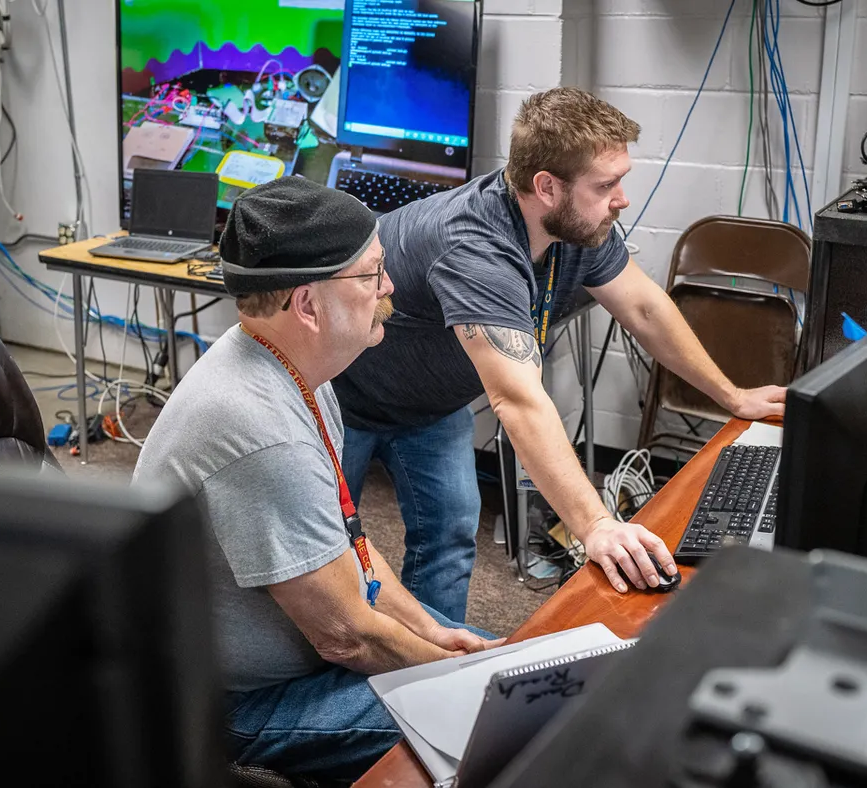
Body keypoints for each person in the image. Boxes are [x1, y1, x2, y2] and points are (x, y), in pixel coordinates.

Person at [333, 87, 787, 622]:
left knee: (450, 539)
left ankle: (434, 668)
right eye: (607, 184)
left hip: (432, 404)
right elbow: (519, 401)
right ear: (546, 186)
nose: (623, 198)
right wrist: (595, 526)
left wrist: (732, 395)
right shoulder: (476, 246)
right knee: (337, 555)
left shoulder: (580, 227)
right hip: (347, 399)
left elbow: (643, 308)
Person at [132, 178, 501, 781]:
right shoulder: (259, 427)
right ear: (307, 304)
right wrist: (444, 674)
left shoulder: (292, 365)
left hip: (305, 661)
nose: (390, 288)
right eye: (372, 275)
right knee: (493, 719)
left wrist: (431, 628)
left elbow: (351, 547)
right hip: (232, 705)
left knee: (512, 672)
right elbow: (347, 638)